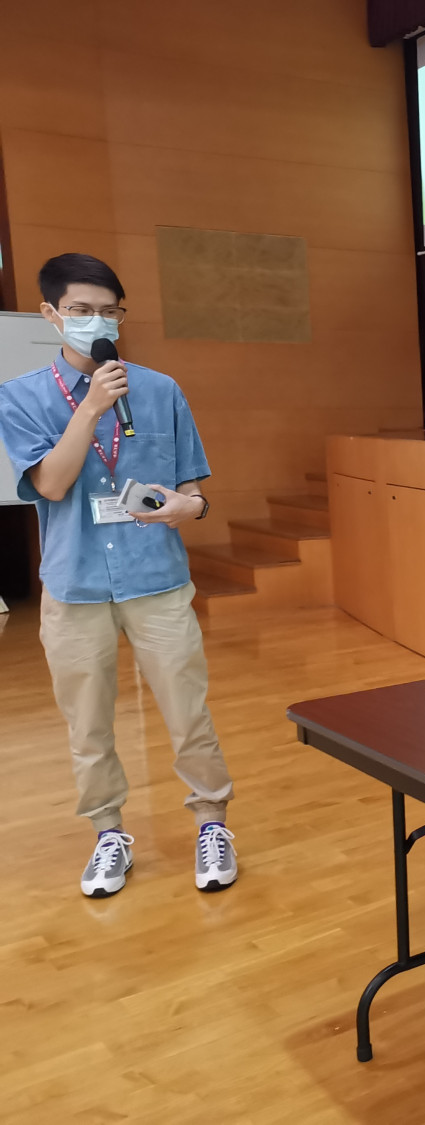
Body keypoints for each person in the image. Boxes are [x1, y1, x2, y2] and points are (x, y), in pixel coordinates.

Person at [0, 253, 236, 898]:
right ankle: (108, 833)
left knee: (189, 713)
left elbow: (193, 491)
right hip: (74, 585)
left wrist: (190, 508)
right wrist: (90, 408)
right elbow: (50, 484)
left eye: (109, 311)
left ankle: (212, 822)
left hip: (156, 579)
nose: (97, 321)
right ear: (51, 315)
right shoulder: (19, 397)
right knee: (88, 725)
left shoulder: (160, 389)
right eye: (81, 310)